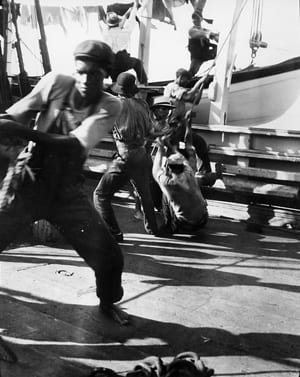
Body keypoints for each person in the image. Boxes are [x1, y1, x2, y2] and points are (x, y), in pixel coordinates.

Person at [0, 39, 128, 323]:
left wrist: (23, 131)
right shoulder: (57, 81)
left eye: (93, 74)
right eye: (80, 71)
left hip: (66, 194)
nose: (84, 79)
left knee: (109, 258)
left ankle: (108, 302)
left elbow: (73, 145)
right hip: (27, 184)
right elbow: (18, 113)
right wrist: (7, 122)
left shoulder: (110, 104)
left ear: (106, 74)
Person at [93, 72, 158, 242]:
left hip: (126, 156)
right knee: (145, 194)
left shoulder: (114, 105)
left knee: (100, 195)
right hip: (142, 155)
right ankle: (154, 228)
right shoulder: (143, 104)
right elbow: (151, 132)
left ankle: (114, 233)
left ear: (119, 89)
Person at [152, 137, 208, 235]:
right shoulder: (189, 171)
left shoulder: (168, 183)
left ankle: (168, 225)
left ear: (169, 169)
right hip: (203, 219)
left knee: (165, 194)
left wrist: (161, 148)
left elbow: (155, 170)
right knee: (196, 183)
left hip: (186, 225)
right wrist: (169, 145)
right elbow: (182, 156)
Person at [99, 1, 148, 84]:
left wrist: (99, 7)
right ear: (118, 23)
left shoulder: (105, 32)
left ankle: (106, 83)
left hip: (109, 64)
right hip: (122, 61)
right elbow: (131, 20)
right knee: (137, 63)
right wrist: (135, 6)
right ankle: (143, 82)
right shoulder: (124, 32)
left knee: (111, 73)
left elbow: (102, 20)